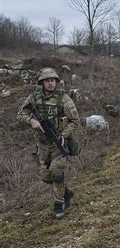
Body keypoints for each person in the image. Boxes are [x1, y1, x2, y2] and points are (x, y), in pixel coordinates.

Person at [17, 67, 80, 219]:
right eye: (47, 81)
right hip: (42, 144)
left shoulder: (63, 98)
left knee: (58, 175)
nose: (50, 83)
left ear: (56, 81)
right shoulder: (34, 97)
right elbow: (21, 113)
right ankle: (66, 193)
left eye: (53, 80)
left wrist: (64, 135)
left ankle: (59, 206)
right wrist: (31, 120)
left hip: (59, 142)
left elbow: (75, 121)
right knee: (46, 177)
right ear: (42, 82)